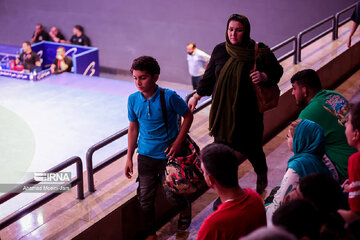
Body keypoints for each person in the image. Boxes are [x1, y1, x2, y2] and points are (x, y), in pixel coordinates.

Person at [188, 14, 283, 196]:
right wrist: (196, 97)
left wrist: (264, 77)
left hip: (249, 116)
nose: (233, 33)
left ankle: (261, 175)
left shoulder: (259, 52)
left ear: (245, 31)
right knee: (223, 157)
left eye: (238, 30)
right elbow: (208, 79)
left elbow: (277, 71)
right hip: (223, 116)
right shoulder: (219, 50)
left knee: (254, 151)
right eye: (231, 29)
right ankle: (228, 192)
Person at [125, 56, 193, 240]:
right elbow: (133, 128)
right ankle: (150, 233)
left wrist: (178, 142)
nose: (138, 82)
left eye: (143, 77)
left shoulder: (169, 96)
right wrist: (129, 157)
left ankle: (185, 208)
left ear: (155, 77)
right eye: (135, 78)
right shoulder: (132, 100)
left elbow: (188, 116)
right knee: (145, 197)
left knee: (172, 195)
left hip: (168, 156)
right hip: (145, 156)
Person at [290, 69, 356, 181]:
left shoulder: (307, 114)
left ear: (305, 90)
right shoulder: (334, 95)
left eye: (294, 88)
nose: (292, 93)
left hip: (345, 169)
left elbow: (295, 147)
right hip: (356, 157)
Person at [266, 119, 332, 222]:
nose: (287, 139)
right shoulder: (320, 160)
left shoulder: (297, 166)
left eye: (289, 136)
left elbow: (279, 202)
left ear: (300, 139)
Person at [197, 143, 266, 240]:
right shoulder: (255, 198)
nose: (203, 174)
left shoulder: (213, 225)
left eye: (203, 171)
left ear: (211, 180)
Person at [339, 91, 360, 223]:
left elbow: (356, 214)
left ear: (356, 134)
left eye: (348, 123)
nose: (345, 125)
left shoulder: (356, 161)